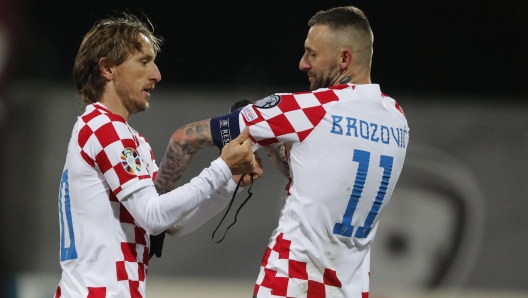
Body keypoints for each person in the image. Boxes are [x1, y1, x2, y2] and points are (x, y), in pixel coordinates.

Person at [156, 5, 408, 298]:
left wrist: (156, 217)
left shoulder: (309, 109)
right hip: (351, 289)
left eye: (311, 53)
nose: (302, 63)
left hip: (290, 284)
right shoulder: (396, 118)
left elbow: (184, 138)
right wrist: (276, 147)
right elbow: (317, 171)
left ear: (344, 59)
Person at [55, 14, 261, 298]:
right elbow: (153, 216)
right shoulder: (105, 128)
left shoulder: (122, 136)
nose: (156, 74)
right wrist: (222, 166)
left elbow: (170, 223)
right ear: (107, 68)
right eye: (143, 61)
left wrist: (228, 182)